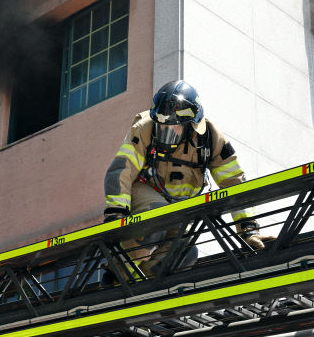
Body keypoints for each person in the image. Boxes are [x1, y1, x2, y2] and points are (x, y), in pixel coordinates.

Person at [104, 80, 274, 277]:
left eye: (173, 127)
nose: (165, 132)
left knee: (185, 252)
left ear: (190, 125)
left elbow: (234, 182)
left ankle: (145, 282)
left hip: (181, 204)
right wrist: (116, 215)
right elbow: (121, 171)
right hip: (147, 190)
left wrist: (248, 229)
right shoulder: (144, 128)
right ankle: (118, 273)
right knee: (156, 219)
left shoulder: (211, 138)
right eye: (162, 127)